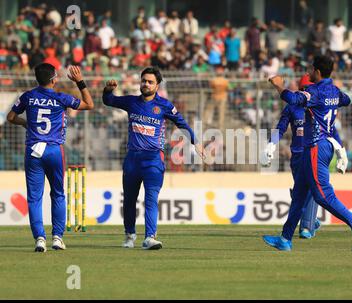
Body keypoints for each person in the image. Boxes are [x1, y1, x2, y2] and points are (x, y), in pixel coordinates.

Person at [263, 55, 352, 252]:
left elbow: (293, 98)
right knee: (298, 196)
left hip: (316, 145)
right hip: (315, 147)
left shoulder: (315, 91)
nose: (309, 72)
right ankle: (285, 238)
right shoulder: (335, 91)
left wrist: (279, 86)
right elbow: (346, 100)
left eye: (312, 69)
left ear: (318, 72)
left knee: (323, 195)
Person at [102, 67, 205, 250]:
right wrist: (108, 90)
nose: (146, 84)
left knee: (151, 198)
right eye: (144, 81)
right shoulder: (131, 102)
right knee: (130, 200)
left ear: (157, 85)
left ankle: (150, 237)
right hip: (132, 159)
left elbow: (181, 123)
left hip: (153, 159)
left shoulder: (164, 105)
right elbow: (108, 100)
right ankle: (129, 235)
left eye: (150, 82)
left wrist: (195, 142)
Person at [6, 63, 94, 252]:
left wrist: (26, 124)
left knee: (34, 198)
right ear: (54, 79)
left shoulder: (28, 96)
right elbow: (89, 104)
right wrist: (80, 82)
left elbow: (11, 117)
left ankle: (39, 238)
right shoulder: (61, 98)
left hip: (33, 150)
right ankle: (57, 237)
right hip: (54, 150)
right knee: (58, 193)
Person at [263, 73, 349, 239]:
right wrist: (271, 144)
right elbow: (280, 128)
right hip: (297, 155)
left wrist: (341, 152)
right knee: (301, 191)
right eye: (303, 90)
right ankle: (310, 220)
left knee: (311, 189)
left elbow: (331, 130)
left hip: (314, 151)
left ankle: (307, 227)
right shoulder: (292, 107)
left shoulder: (319, 108)